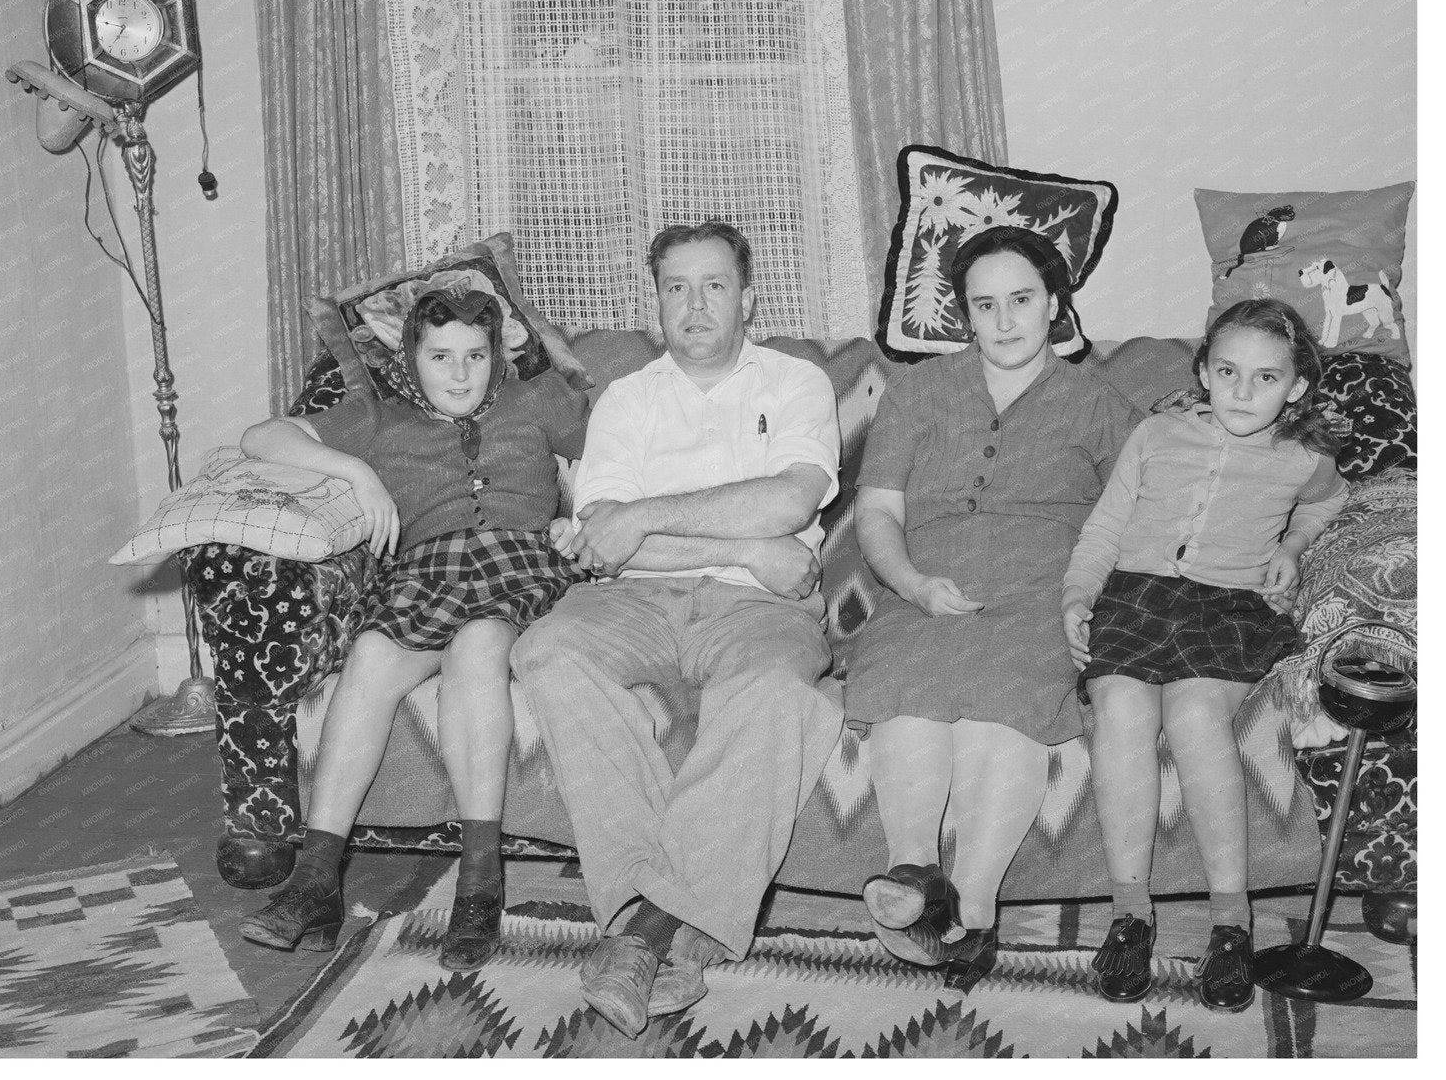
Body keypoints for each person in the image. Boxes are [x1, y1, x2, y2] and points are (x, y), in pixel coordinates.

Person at [511, 220, 843, 1038]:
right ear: (655, 301)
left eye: (715, 285)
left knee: (774, 690)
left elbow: (790, 501)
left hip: (760, 607)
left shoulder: (797, 383)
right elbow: (605, 536)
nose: (695, 305)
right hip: (634, 598)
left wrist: (662, 523)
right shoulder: (628, 397)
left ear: (749, 295)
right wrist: (749, 545)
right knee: (545, 649)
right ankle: (666, 909)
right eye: (676, 288)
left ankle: (647, 929)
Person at [237, 288, 588, 971]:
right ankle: (314, 882)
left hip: (516, 563)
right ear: (412, 359)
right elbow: (261, 438)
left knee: (479, 644)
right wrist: (355, 470)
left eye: (475, 356)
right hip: (424, 575)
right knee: (368, 653)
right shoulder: (378, 419)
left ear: (497, 356)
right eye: (440, 356)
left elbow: (616, 440)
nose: (459, 373)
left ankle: (479, 886)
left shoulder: (535, 399)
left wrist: (586, 510)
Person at [845, 225, 1141, 982]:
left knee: (999, 703)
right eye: (985, 305)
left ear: (1054, 305)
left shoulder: (1099, 404)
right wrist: (909, 582)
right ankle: (912, 874)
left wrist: (1089, 601)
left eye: (1021, 300)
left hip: (1040, 592)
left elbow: (1143, 517)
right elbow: (877, 511)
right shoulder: (918, 391)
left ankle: (974, 911)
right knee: (908, 682)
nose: (1004, 320)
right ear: (963, 314)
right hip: (924, 585)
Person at [1063, 298, 1346, 1012]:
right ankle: (1130, 912)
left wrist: (1289, 547)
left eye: (1265, 377)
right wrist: (1078, 598)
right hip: (1134, 598)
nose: (1243, 392)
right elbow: (1105, 525)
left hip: (1229, 608)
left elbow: (1328, 503)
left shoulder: (1303, 455)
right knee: (1121, 705)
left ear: (1297, 387)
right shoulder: (1156, 434)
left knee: (1193, 714)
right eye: (1227, 372)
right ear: (1203, 372)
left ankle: (1230, 921)